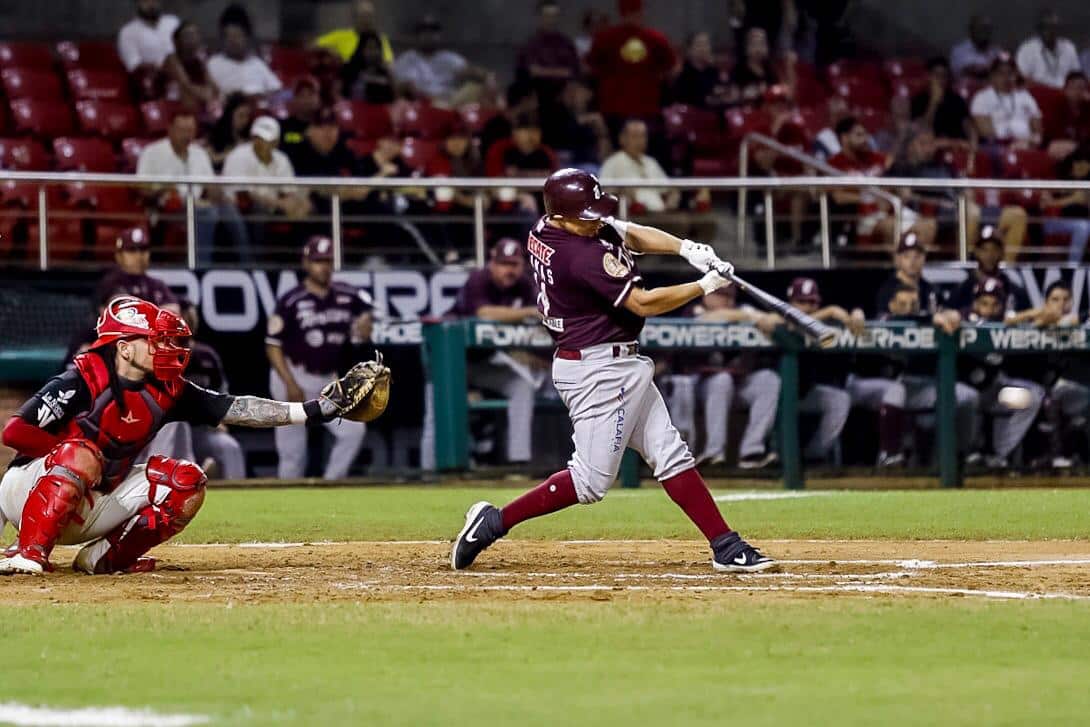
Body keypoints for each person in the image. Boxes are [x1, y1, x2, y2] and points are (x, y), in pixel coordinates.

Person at [449, 167, 775, 573]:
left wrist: (686, 248)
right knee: (589, 482)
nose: (595, 220)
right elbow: (642, 303)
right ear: (563, 216)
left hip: (615, 362)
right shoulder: (580, 256)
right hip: (598, 371)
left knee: (670, 455)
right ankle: (494, 522)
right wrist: (704, 286)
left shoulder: (549, 226)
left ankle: (726, 546)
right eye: (586, 215)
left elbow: (627, 231)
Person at [0, 295, 380, 575]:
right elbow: (15, 432)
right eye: (154, 341)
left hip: (93, 502)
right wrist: (76, 454)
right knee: (82, 453)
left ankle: (103, 558)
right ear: (124, 348)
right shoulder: (83, 378)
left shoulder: (169, 389)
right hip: (30, 491)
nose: (165, 348)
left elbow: (237, 408)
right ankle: (28, 554)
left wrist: (315, 411)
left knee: (188, 482)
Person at [265, 236, 375, 480]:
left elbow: (366, 319)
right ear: (306, 263)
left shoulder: (348, 295)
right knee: (293, 452)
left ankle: (331, 485)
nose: (323, 267)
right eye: (317, 261)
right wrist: (290, 384)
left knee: (353, 431)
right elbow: (273, 345)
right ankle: (287, 503)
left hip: (327, 379)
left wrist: (366, 324)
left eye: (327, 260)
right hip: (294, 374)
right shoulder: (292, 300)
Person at [440, 239, 541, 466]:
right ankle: (432, 472)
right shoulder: (479, 279)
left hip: (485, 362)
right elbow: (484, 313)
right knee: (436, 415)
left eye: (514, 264)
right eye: (504, 264)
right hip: (450, 362)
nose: (509, 270)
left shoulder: (524, 285)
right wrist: (529, 312)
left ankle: (519, 461)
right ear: (492, 264)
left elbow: (544, 312)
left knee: (521, 384)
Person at [136, 109, 250, 263]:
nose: (187, 136)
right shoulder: (152, 153)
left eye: (190, 131)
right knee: (207, 213)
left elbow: (210, 186)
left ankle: (249, 265)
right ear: (170, 129)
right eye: (182, 130)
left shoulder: (199, 153)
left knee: (229, 210)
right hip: (168, 207)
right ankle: (201, 268)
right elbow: (142, 190)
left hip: (197, 204)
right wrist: (165, 188)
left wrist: (218, 194)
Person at [687, 285, 782, 469]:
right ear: (707, 296)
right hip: (697, 388)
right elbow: (707, 319)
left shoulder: (743, 311)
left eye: (729, 296)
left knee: (769, 379)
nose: (727, 300)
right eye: (720, 295)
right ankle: (713, 453)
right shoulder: (695, 309)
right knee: (722, 381)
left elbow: (776, 320)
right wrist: (749, 318)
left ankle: (751, 451)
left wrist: (762, 318)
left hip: (735, 387)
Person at [958, 276, 1045, 468]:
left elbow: (1044, 316)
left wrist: (1021, 318)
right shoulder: (963, 319)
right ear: (975, 303)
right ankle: (966, 454)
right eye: (984, 303)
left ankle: (998, 456)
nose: (989, 309)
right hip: (961, 396)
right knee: (969, 396)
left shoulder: (1007, 321)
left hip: (994, 394)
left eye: (995, 304)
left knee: (1031, 397)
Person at [829, 117, 935, 247]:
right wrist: (869, 198)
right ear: (844, 138)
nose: (865, 139)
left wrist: (896, 191)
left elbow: (894, 171)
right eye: (858, 135)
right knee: (892, 227)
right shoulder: (834, 164)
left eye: (865, 134)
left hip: (890, 209)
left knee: (929, 225)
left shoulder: (876, 157)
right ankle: (902, 264)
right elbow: (838, 197)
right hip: (864, 216)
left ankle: (913, 265)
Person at [784, 278, 857, 462]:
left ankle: (815, 456)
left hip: (805, 393)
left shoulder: (821, 325)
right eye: (801, 302)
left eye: (812, 302)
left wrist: (857, 313)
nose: (807, 307)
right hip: (778, 394)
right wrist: (830, 311)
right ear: (790, 302)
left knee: (839, 399)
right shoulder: (777, 315)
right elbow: (790, 325)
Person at [177, 301, 246, 480]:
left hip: (203, 428)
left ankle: (239, 497)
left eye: (191, 314)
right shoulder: (159, 353)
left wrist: (222, 418)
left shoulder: (206, 355)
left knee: (229, 448)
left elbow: (222, 392)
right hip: (170, 428)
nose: (188, 319)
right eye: (183, 315)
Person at [586, 0, 676, 130]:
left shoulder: (604, 38)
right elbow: (671, 68)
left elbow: (591, 67)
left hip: (615, 107)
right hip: (643, 108)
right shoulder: (656, 38)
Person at [222, 116, 311, 228]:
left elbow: (289, 191)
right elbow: (243, 195)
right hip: (241, 210)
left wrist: (295, 202)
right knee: (259, 210)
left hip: (273, 209)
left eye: (265, 140)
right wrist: (279, 203)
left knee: (305, 206)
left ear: (276, 142)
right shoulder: (238, 156)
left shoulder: (281, 159)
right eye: (257, 137)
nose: (260, 142)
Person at [392, 15, 490, 105]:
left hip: (450, 104)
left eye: (433, 32)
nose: (429, 36)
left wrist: (477, 74)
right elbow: (403, 87)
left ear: (439, 36)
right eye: (424, 32)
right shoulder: (407, 59)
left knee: (477, 86)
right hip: (420, 105)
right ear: (416, 36)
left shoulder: (449, 58)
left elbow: (471, 73)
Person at [599, 119, 678, 213]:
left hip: (658, 214)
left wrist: (671, 200)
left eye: (643, 136)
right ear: (622, 139)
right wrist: (622, 195)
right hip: (632, 216)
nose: (639, 141)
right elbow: (603, 194)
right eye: (635, 136)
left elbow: (668, 189)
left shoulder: (651, 162)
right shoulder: (613, 162)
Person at [95, 227, 178, 313]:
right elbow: (121, 313)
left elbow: (174, 311)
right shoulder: (110, 283)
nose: (139, 255)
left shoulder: (157, 284)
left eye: (143, 249)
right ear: (119, 256)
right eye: (132, 250)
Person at [949, 226, 1032, 313]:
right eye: (984, 249)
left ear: (1001, 253)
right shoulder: (963, 290)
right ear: (976, 252)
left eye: (994, 249)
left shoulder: (1014, 290)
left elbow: (1027, 320)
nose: (989, 255)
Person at [516, 0, 580, 110]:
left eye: (554, 16)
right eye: (547, 16)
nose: (551, 20)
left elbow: (573, 71)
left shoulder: (566, 43)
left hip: (565, 96)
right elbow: (534, 71)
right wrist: (561, 72)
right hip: (539, 96)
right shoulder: (531, 44)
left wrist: (547, 71)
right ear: (539, 17)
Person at [207, 4, 282, 98]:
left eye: (237, 36)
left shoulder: (256, 63)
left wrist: (257, 97)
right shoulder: (213, 64)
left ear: (246, 38)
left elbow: (276, 89)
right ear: (223, 39)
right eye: (229, 37)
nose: (233, 41)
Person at [971, 55, 1042, 146]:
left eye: (1010, 73)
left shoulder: (1026, 97)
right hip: (997, 147)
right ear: (992, 76)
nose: (1006, 77)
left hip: (1027, 145)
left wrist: (1029, 142)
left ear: (1015, 75)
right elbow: (987, 134)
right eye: (1001, 73)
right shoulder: (981, 98)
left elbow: (1038, 132)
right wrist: (1012, 144)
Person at [911, 57, 976, 146]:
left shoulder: (956, 99)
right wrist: (933, 103)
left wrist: (972, 141)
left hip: (956, 145)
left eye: (944, 75)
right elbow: (920, 130)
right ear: (929, 76)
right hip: (930, 146)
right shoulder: (918, 100)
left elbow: (967, 124)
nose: (941, 79)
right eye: (937, 75)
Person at [1041, 143, 1090, 262]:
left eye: (1084, 163)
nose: (1079, 166)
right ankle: (1073, 266)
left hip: (1082, 222)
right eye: (1077, 162)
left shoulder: (1087, 183)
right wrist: (1072, 199)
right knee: (1083, 226)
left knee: (1083, 225)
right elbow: (1043, 205)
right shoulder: (1061, 181)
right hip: (1056, 222)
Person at [874, 232, 939, 316]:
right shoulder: (886, 290)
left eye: (917, 256)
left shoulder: (930, 289)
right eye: (906, 256)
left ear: (924, 258)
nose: (912, 261)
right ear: (898, 258)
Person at [161, 21, 219, 115]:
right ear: (177, 41)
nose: (192, 38)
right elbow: (185, 84)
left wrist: (215, 93)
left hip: (201, 97)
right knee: (187, 96)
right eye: (187, 35)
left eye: (195, 34)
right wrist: (205, 94)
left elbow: (210, 80)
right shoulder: (171, 59)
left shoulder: (201, 56)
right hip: (176, 99)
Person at [1016, 9, 1081, 90]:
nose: (1050, 31)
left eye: (1053, 27)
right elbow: (1022, 79)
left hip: (1066, 94)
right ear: (1039, 30)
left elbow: (1077, 76)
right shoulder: (1027, 49)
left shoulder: (1068, 47)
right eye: (1046, 27)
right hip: (1040, 93)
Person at [315, 0, 394, 66]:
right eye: (363, 16)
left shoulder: (378, 38)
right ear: (355, 18)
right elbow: (314, 46)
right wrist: (331, 54)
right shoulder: (340, 36)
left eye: (370, 16)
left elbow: (389, 62)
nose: (367, 20)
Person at [729, 26, 793, 105]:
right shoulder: (738, 70)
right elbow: (733, 97)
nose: (758, 48)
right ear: (746, 47)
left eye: (762, 43)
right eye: (754, 43)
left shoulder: (770, 69)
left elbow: (785, 95)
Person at [672, 31, 731, 109]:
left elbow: (726, 92)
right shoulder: (683, 74)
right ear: (689, 50)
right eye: (699, 45)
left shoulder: (714, 71)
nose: (704, 48)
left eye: (706, 44)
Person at [117, 0, 180, 74]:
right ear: (138, 3)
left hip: (185, 72)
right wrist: (166, 67)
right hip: (154, 78)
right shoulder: (127, 32)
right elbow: (134, 66)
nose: (151, 4)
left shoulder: (173, 22)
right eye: (146, 1)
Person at [1043, 71, 1090, 158]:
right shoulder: (1056, 105)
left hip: (1082, 148)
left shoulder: (1087, 107)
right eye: (1075, 88)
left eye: (1083, 88)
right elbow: (1051, 137)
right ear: (1066, 89)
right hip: (1060, 145)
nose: (1078, 92)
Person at [340, 31, 395, 102]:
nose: (374, 52)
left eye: (376, 48)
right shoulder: (349, 70)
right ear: (361, 50)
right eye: (370, 48)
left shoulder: (385, 74)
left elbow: (393, 99)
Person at [206, 92, 255, 172]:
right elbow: (213, 159)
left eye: (247, 116)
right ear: (230, 115)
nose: (245, 120)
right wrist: (234, 152)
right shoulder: (215, 134)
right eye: (240, 116)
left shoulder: (251, 136)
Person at [950, 14, 1003, 82]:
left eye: (987, 29)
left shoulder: (997, 51)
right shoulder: (959, 51)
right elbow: (959, 74)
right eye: (980, 28)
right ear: (971, 30)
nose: (984, 33)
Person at [278, 78, 322, 160]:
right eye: (302, 95)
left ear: (319, 100)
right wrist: (303, 138)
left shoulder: (326, 127)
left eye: (311, 95)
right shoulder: (283, 127)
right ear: (294, 100)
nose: (307, 100)